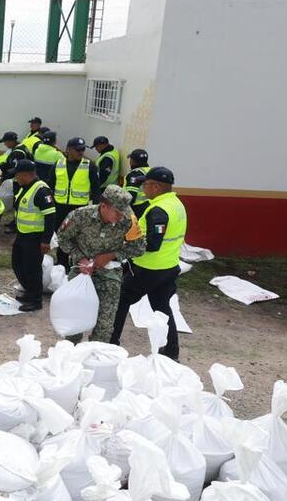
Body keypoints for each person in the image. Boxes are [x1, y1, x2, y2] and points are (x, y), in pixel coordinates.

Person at [110, 167, 187, 359]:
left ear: (156, 186)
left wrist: (125, 247)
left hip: (149, 269)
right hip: (168, 267)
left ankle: (111, 345)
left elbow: (152, 244)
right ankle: (171, 352)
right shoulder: (176, 204)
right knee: (162, 308)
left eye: (146, 185)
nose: (144, 188)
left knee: (120, 300)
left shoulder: (158, 211)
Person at [58, 185, 146, 342]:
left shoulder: (128, 220)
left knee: (105, 325)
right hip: (81, 272)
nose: (121, 217)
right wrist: (80, 258)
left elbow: (139, 247)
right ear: (103, 206)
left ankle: (95, 357)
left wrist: (112, 255)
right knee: (74, 320)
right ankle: (70, 356)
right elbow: (63, 238)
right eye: (117, 212)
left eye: (123, 212)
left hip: (109, 276)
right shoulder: (80, 216)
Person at [11, 159, 56, 312]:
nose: (15, 178)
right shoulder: (25, 187)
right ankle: (29, 292)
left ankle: (36, 300)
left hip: (35, 237)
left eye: (17, 175)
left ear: (25, 174)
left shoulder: (41, 190)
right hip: (23, 234)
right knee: (18, 264)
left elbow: (50, 217)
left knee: (32, 269)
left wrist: (45, 240)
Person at [53, 137, 94, 267]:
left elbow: (96, 189)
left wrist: (95, 209)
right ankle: (61, 263)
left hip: (79, 209)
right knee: (62, 236)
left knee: (78, 238)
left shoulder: (89, 166)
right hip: (60, 207)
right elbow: (50, 184)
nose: (81, 153)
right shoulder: (58, 164)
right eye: (78, 150)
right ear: (68, 149)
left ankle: (77, 264)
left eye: (83, 150)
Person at [124, 149, 151, 218]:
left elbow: (130, 195)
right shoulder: (150, 171)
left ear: (133, 161)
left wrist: (122, 209)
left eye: (131, 159)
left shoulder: (135, 174)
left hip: (136, 209)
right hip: (148, 205)